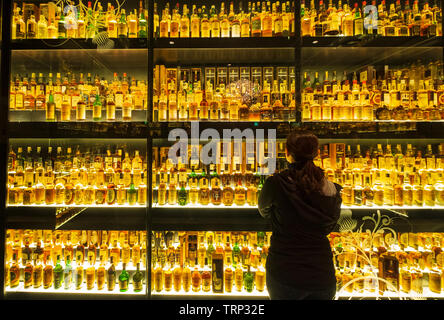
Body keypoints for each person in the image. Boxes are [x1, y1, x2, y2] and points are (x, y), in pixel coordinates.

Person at [258, 131, 342, 300]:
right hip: (320, 273)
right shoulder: (331, 188)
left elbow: (264, 211)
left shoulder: (276, 183)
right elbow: (331, 223)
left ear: (287, 153)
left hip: (284, 271)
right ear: (316, 153)